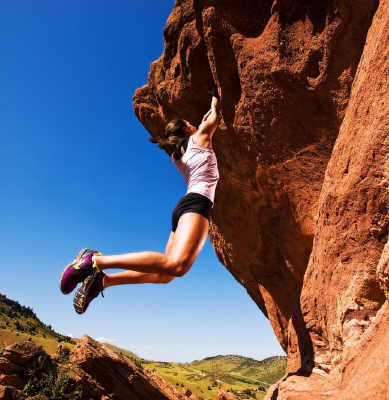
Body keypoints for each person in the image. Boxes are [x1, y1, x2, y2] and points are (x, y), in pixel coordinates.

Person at [59, 95, 220, 314]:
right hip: (198, 203)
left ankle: (103, 281)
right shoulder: (200, 138)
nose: (195, 125)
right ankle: (95, 261)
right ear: (185, 129)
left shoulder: (177, 156)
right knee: (177, 266)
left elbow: (204, 124)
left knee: (166, 274)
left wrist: (198, 123)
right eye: (190, 124)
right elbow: (215, 114)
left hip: (183, 207)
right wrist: (212, 100)